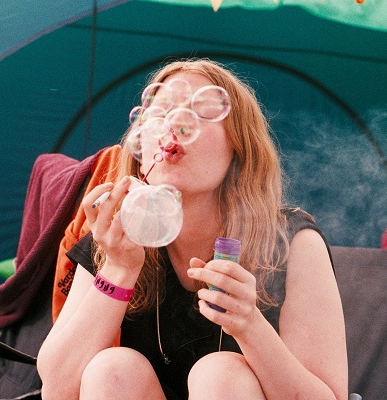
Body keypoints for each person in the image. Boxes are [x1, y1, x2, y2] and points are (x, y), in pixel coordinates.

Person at [37, 58, 348, 400]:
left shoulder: (291, 243)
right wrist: (119, 268)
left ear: (239, 151)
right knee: (111, 370)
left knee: (221, 374)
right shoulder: (114, 238)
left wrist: (250, 326)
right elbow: (57, 389)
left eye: (200, 114)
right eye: (161, 113)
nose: (176, 125)